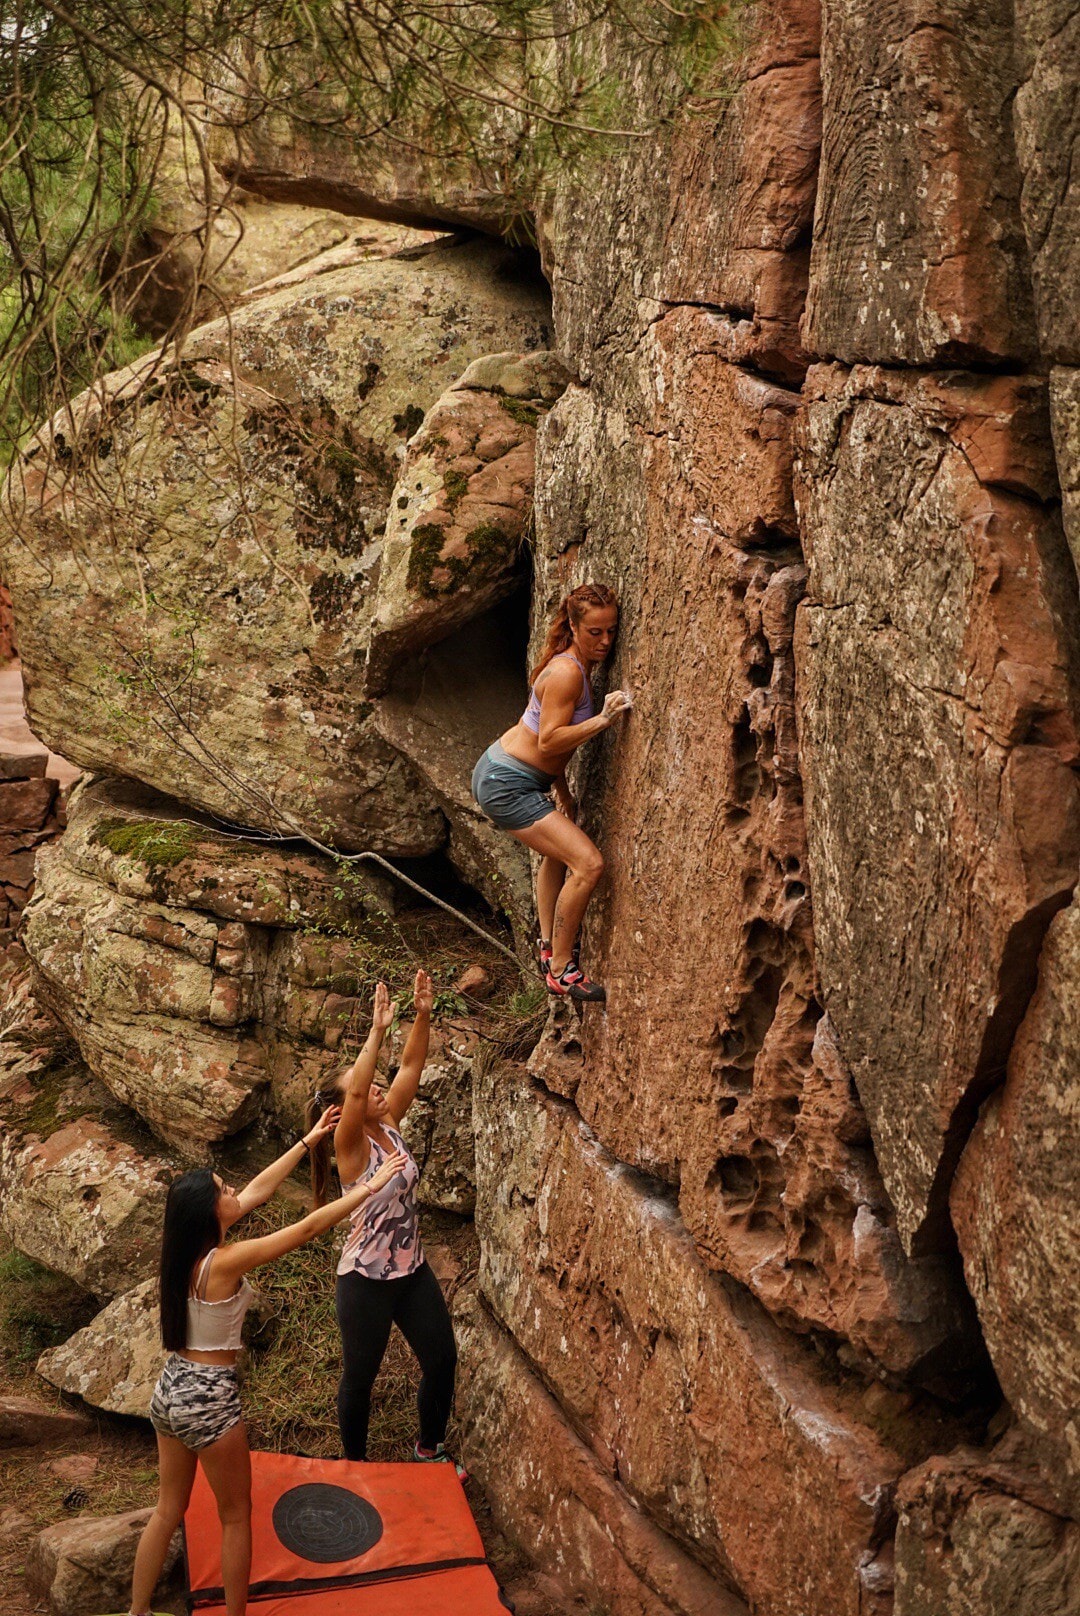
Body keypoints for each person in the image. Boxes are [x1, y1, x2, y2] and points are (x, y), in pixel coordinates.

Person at [127, 1113, 406, 1616]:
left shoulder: (183, 1256)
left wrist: (308, 1140)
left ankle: (137, 1612)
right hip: (209, 1398)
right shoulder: (225, 1260)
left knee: (169, 1509)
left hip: (169, 1390)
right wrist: (369, 1187)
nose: (234, 1189)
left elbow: (257, 1189)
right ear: (210, 1212)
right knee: (236, 1516)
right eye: (222, 1188)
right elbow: (307, 1228)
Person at [306, 970, 464, 1475]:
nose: (376, 1088)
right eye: (365, 1085)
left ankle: (429, 1448)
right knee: (360, 1380)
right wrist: (375, 1032)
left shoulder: (390, 1121)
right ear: (339, 1110)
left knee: (441, 1359)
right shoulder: (350, 1146)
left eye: (376, 1082)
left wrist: (421, 1015)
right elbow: (354, 1098)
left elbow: (413, 1062)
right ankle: (356, 1468)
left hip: (411, 1272)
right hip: (365, 1281)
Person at [471, 581, 630, 1003]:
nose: (606, 641)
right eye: (595, 632)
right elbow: (549, 741)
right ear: (574, 627)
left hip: (516, 777)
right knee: (589, 864)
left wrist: (562, 792)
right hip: (506, 783)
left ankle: (547, 947)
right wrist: (604, 720)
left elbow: (548, 744)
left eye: (611, 631)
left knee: (558, 855)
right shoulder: (564, 673)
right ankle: (560, 970)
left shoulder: (577, 665)